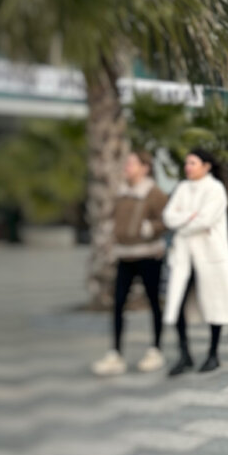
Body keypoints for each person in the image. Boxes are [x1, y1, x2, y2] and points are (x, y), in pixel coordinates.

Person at [162, 147, 228, 375]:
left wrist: (183, 221)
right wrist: (190, 218)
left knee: (214, 304)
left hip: (210, 256)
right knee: (177, 303)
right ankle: (184, 354)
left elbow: (205, 220)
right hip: (184, 256)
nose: (187, 167)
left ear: (206, 166)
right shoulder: (182, 188)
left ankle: (213, 354)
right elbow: (168, 217)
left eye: (192, 163)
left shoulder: (215, 189)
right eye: (186, 163)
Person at [92, 149, 168, 377]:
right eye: (126, 163)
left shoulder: (154, 193)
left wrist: (149, 228)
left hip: (148, 255)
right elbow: (114, 217)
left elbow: (165, 220)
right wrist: (111, 231)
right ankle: (115, 354)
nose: (127, 166)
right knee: (118, 304)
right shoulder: (121, 192)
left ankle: (156, 350)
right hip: (124, 255)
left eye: (132, 163)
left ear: (145, 168)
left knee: (153, 302)